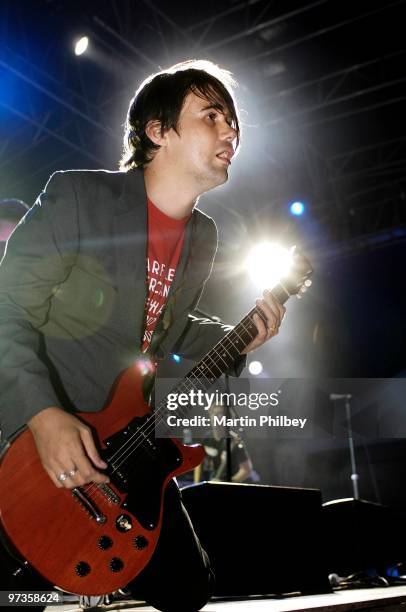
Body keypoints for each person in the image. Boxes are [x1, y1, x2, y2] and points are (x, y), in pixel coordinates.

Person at [0, 59, 285, 611]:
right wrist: (43, 415)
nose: (231, 133)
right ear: (157, 130)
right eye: (212, 115)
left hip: (124, 443)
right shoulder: (81, 198)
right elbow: (5, 307)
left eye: (234, 123)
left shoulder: (203, 237)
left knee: (187, 590)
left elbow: (162, 335)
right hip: (40, 429)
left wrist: (239, 337)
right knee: (16, 594)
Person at [198, 403, 261, 484]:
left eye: (221, 415)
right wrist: (196, 483)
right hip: (213, 480)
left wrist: (228, 482)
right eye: (215, 414)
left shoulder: (234, 441)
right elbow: (199, 463)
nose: (218, 418)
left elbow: (247, 469)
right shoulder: (207, 438)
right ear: (210, 415)